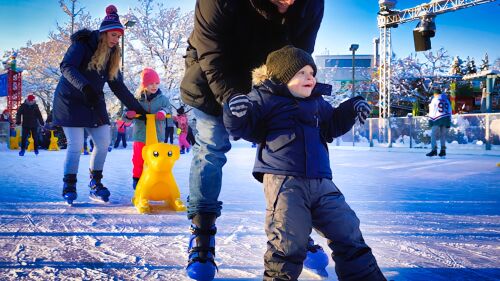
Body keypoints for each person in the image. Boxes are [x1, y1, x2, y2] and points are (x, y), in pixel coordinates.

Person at [180, 0, 325, 279]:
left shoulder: (311, 4)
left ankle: (292, 231)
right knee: (211, 148)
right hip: (212, 80)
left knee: (287, 148)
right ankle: (202, 231)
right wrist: (233, 99)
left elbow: (299, 55)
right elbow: (212, 54)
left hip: (267, 83)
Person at [224, 45, 385, 281]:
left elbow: (332, 125)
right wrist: (235, 111)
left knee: (348, 232)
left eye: (312, 72)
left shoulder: (318, 102)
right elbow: (244, 127)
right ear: (282, 76)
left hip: (321, 182)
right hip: (284, 182)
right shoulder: (264, 98)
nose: (309, 77)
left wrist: (351, 108)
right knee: (287, 244)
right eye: (301, 73)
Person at [52, 5, 148, 204]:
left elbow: (118, 85)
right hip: (71, 100)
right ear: (104, 33)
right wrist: (85, 87)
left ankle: (95, 183)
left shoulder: (113, 55)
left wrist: (138, 109)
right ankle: (69, 184)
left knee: (104, 142)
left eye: (119, 36)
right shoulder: (83, 45)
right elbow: (66, 66)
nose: (116, 40)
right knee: (76, 145)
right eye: (113, 35)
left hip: (93, 101)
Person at [124, 67, 170, 190]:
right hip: (140, 135)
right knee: (138, 159)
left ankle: (156, 180)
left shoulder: (163, 99)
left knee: (157, 159)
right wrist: (129, 114)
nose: (154, 86)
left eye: (156, 83)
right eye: (150, 83)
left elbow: (168, 108)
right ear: (144, 85)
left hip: (157, 135)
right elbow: (125, 116)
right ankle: (137, 180)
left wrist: (163, 112)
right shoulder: (137, 100)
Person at [426, 88, 452, 157]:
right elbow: (450, 110)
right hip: (446, 118)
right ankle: (443, 151)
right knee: (442, 135)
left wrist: (430, 120)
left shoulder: (435, 100)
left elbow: (432, 111)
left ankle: (434, 150)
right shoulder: (446, 100)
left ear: (435, 94)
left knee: (433, 135)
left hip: (437, 118)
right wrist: (449, 120)